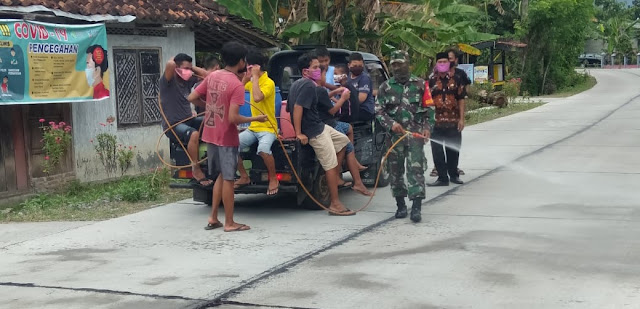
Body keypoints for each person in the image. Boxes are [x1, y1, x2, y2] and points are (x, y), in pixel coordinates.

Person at [188, 41, 267, 232]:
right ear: (241, 61)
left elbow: (192, 98)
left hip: (211, 133)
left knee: (221, 177)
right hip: (226, 137)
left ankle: (214, 217)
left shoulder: (213, 75)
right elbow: (233, 118)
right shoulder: (236, 86)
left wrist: (208, 107)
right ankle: (230, 223)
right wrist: (257, 117)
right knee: (229, 179)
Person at [288, 52, 355, 216]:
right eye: (315, 67)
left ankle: (335, 176)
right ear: (306, 71)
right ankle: (335, 204)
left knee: (344, 141)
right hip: (314, 131)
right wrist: (299, 133)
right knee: (330, 164)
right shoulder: (308, 86)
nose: (319, 70)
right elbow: (297, 108)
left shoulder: (298, 84)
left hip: (319, 125)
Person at [376, 50, 430, 223]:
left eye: (400, 64)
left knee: (416, 171)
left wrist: (427, 128)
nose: (397, 68)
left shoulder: (421, 85)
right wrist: (391, 124)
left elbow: (430, 109)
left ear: (408, 63)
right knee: (396, 172)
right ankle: (400, 205)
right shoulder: (386, 87)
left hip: (415, 137)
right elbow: (378, 110)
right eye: (394, 65)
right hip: (395, 138)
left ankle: (416, 207)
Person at [316, 67, 372, 197]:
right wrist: (342, 98)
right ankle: (354, 180)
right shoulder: (318, 89)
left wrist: (336, 92)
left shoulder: (317, 89)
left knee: (349, 129)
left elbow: (324, 100)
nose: (328, 76)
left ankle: (352, 163)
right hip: (328, 124)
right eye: (326, 74)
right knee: (346, 144)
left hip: (328, 122)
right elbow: (332, 111)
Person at [160, 53, 211, 187]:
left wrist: (191, 68)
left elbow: (208, 76)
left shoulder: (187, 80)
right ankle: (196, 169)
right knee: (193, 133)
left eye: (189, 69)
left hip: (188, 120)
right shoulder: (168, 81)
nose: (188, 72)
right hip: (173, 126)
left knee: (211, 119)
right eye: (185, 68)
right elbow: (170, 64)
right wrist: (176, 63)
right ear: (176, 68)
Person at [235, 50, 280, 196]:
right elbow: (240, 92)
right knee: (230, 146)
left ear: (256, 67)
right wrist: (246, 78)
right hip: (253, 127)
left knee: (263, 149)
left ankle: (273, 178)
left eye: (249, 67)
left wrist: (254, 76)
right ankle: (243, 176)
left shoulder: (269, 82)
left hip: (268, 128)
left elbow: (258, 97)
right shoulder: (252, 80)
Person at [428, 52, 466, 187]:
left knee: (453, 151)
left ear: (449, 63)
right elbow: (426, 101)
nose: (443, 64)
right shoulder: (431, 80)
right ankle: (442, 178)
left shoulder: (457, 79)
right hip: (436, 122)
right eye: (440, 62)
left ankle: (454, 176)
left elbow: (461, 99)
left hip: (453, 122)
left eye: (445, 61)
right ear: (436, 64)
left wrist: (462, 119)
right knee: (437, 152)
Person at [348, 53, 375, 121]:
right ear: (349, 65)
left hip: (364, 110)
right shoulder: (348, 77)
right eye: (355, 65)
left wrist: (344, 103)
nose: (357, 67)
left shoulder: (364, 78)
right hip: (353, 108)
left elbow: (361, 99)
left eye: (360, 65)